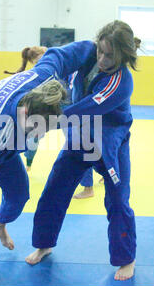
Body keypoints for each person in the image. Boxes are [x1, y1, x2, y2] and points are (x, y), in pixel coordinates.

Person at [0, 40, 97, 286]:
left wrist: (97, 47)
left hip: (0, 136)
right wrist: (22, 141)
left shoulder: (42, 77)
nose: (40, 136)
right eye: (37, 130)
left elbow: (62, 54)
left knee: (19, 195)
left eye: (44, 130)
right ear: (25, 113)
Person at [25, 20, 141, 281]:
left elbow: (89, 106)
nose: (102, 58)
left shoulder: (122, 81)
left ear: (123, 55)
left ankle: (126, 258)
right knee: (54, 189)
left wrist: (48, 119)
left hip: (109, 143)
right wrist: (40, 75)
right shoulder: (87, 51)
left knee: (118, 201)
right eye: (100, 51)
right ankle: (44, 243)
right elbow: (59, 56)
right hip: (79, 139)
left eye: (110, 55)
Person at [6, 46, 101, 196]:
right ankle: (28, 162)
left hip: (69, 109)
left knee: (80, 143)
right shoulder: (43, 72)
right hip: (52, 111)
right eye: (37, 62)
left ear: (46, 53)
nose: (43, 63)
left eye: (43, 59)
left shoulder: (63, 66)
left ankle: (89, 187)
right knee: (33, 135)